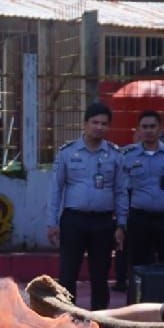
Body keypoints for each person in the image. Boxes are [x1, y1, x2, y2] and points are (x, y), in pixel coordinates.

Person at [46, 102, 128, 310]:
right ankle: (66, 319)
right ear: (85, 124)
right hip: (74, 220)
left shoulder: (115, 155)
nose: (99, 127)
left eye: (104, 123)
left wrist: (121, 224)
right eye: (95, 122)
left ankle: (100, 320)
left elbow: (120, 191)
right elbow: (56, 189)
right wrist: (51, 222)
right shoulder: (67, 153)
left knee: (100, 275)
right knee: (68, 273)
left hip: (103, 222)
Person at [121, 110, 164, 270]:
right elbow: (122, 189)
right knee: (139, 264)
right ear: (138, 129)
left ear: (160, 129)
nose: (149, 130)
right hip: (139, 218)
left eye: (153, 126)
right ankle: (139, 295)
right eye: (145, 127)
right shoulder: (128, 155)